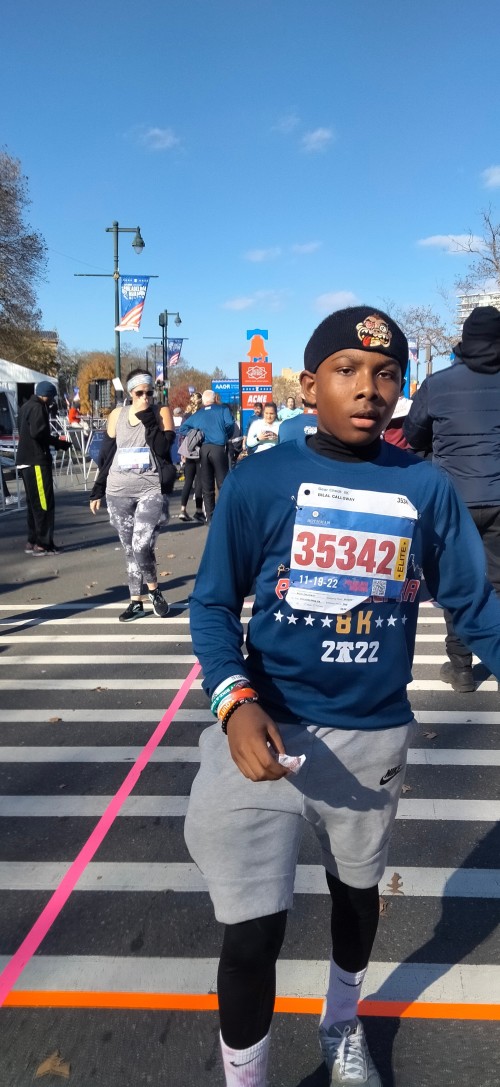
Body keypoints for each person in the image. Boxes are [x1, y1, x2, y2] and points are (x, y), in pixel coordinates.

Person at [185, 305, 500, 1087]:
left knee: (355, 902)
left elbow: (473, 602)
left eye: (387, 373)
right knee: (250, 934)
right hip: (263, 733)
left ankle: (341, 1020)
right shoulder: (260, 481)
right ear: (308, 385)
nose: (369, 388)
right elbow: (213, 603)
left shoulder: (424, 487)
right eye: (347, 370)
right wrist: (234, 701)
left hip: (371, 737)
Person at [404, 304, 500, 692]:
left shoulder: (439, 384)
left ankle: (460, 667)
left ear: (465, 341)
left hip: (454, 499)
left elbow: (413, 435)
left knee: (458, 580)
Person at [89, 369, 175, 622]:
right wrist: (97, 490)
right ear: (130, 393)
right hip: (118, 490)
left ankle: (154, 591)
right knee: (130, 549)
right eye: (139, 393)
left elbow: (163, 448)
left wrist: (148, 418)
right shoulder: (117, 415)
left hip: (151, 489)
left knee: (141, 545)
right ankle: (136, 601)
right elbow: (106, 455)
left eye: (149, 392)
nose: (145, 397)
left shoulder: (160, 412)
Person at [15, 380, 70, 555]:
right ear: (47, 395)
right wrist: (58, 443)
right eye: (52, 397)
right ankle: (43, 544)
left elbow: (26, 431)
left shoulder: (25, 407)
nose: (52, 400)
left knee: (33, 504)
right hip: (36, 460)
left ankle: (32, 540)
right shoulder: (38, 407)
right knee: (44, 503)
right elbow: (38, 433)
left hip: (25, 460)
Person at [179, 389, 235, 523]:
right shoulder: (223, 409)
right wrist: (225, 434)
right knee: (222, 483)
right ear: (215, 398)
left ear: (204, 401)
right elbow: (230, 424)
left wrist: (196, 434)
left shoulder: (199, 414)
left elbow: (183, 428)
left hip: (203, 449)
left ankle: (210, 517)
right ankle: (224, 514)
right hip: (218, 448)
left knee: (207, 484)